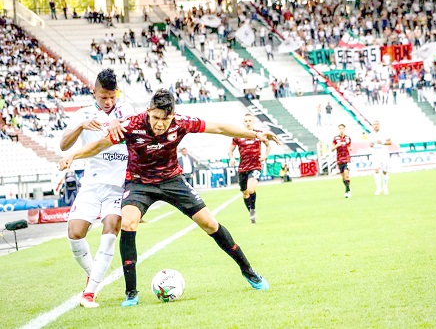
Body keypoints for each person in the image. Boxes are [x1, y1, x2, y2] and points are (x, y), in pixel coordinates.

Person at [59, 89, 279, 307]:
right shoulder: (132, 125)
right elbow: (99, 145)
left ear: (172, 115)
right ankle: (131, 293)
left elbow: (219, 128)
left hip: (172, 180)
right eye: (155, 118)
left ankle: (249, 272)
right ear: (148, 112)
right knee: (128, 222)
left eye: (165, 119)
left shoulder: (181, 123)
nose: (160, 124)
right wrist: (72, 155)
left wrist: (256, 135)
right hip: (139, 183)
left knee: (209, 223)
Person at [59, 69, 135, 308]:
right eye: (103, 97)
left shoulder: (127, 110)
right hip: (91, 184)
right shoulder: (84, 114)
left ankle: (89, 293)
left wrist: (117, 120)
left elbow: (131, 127)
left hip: (119, 186)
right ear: (94, 92)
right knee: (75, 232)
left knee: (111, 229)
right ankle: (93, 274)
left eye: (112, 97)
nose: (108, 102)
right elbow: (64, 145)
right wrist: (81, 126)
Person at [228, 114, 272, 224]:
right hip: (243, 167)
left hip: (255, 166)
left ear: (253, 122)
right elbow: (230, 150)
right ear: (243, 123)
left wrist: (265, 156)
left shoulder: (258, 134)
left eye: (250, 121)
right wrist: (232, 157)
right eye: (246, 121)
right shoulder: (237, 136)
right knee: (245, 193)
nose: (248, 123)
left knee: (251, 189)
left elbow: (268, 146)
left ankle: (252, 210)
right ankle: (251, 212)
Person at [369, 120, 392, 195]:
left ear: (379, 125)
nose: (376, 125)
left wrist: (382, 142)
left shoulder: (384, 133)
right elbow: (370, 144)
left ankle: (385, 186)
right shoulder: (371, 134)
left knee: (385, 170)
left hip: (384, 151)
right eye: (374, 124)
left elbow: (390, 142)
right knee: (376, 170)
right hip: (375, 152)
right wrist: (371, 144)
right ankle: (378, 188)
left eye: (377, 124)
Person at [332, 124, 352, 198]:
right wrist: (337, 145)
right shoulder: (336, 138)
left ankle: (347, 191)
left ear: (344, 129)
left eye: (342, 128)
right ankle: (348, 188)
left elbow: (350, 145)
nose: (341, 130)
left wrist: (350, 148)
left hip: (347, 158)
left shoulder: (348, 138)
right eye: (340, 128)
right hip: (339, 159)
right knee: (343, 177)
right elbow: (332, 148)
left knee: (347, 175)